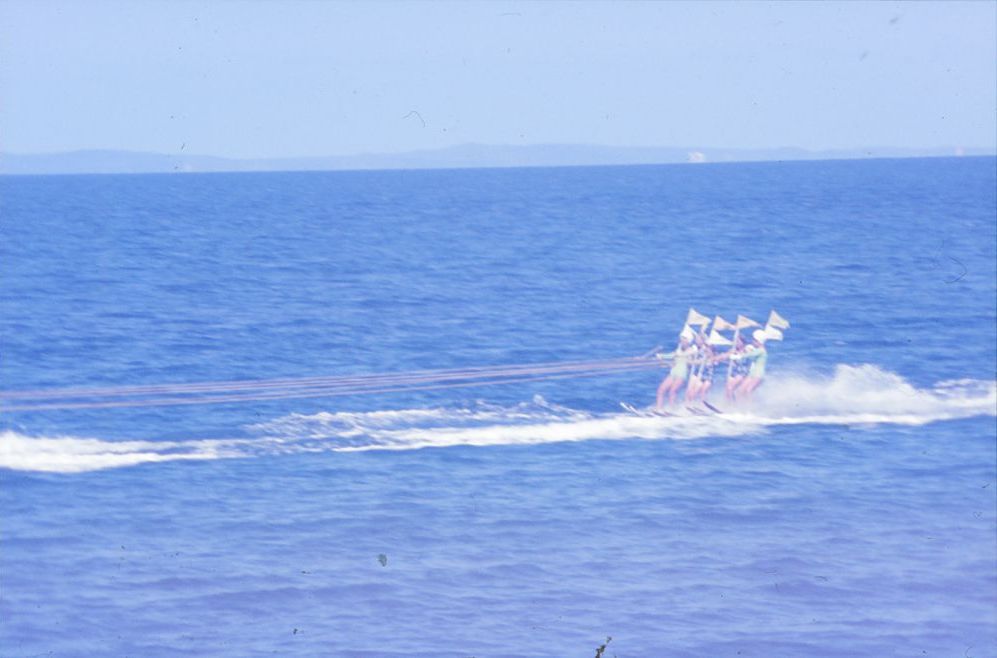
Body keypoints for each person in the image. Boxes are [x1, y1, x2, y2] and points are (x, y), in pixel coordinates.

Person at [656, 329, 698, 408]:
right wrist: (661, 356)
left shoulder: (692, 350)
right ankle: (658, 409)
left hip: (682, 374)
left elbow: (686, 354)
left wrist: (679, 353)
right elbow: (672, 355)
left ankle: (672, 409)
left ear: (688, 341)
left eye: (684, 339)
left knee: (672, 391)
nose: (681, 341)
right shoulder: (679, 349)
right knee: (661, 390)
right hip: (673, 372)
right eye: (681, 339)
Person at [734, 330, 769, 400]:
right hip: (752, 373)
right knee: (739, 391)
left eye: (754, 340)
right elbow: (750, 355)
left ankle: (750, 408)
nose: (753, 342)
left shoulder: (761, 350)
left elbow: (750, 355)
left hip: (758, 374)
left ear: (759, 341)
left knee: (748, 391)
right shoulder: (757, 350)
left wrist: (739, 356)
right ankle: (739, 407)